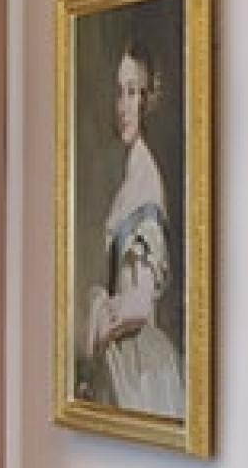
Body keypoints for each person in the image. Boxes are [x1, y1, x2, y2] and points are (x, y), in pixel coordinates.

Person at [77, 27, 187, 418]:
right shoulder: (131, 174)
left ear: (147, 100)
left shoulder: (145, 184)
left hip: (139, 363)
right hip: (121, 356)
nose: (122, 105)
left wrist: (99, 325)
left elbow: (139, 304)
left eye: (132, 92)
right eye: (119, 91)